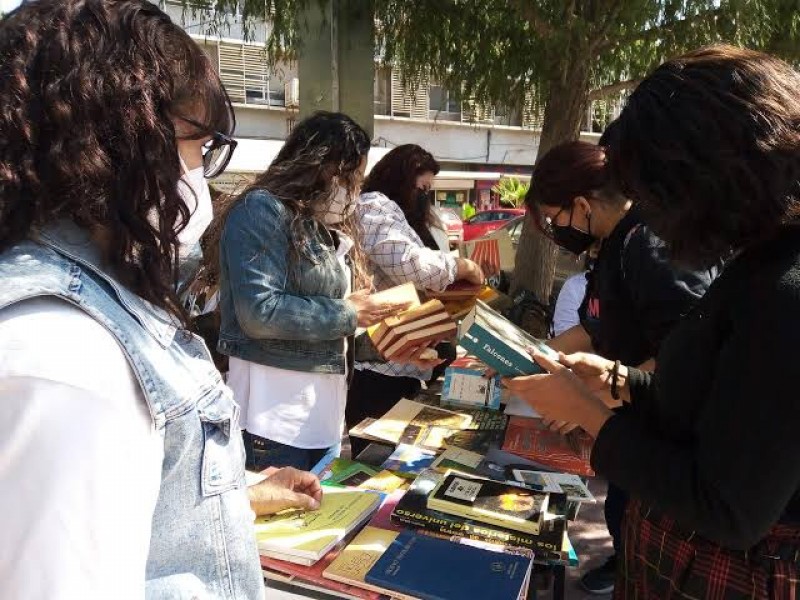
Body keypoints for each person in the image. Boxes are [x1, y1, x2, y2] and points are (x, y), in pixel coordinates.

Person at [0, 2, 320, 598]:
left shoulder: (94, 304)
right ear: (116, 143)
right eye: (198, 145)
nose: (201, 174)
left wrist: (230, 494)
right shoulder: (65, 354)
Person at [506, 45, 800, 599]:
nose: (645, 212)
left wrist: (595, 419)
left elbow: (731, 508)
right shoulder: (758, 260)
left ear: (706, 174)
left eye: (651, 192)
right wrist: (618, 382)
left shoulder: (785, 291)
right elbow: (712, 402)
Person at [526, 138, 718, 594]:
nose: (558, 231)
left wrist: (586, 400)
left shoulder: (649, 245)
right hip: (632, 424)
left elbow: (685, 353)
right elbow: (594, 326)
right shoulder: (614, 245)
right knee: (622, 517)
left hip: (665, 435)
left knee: (644, 538)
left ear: (581, 204)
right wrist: (528, 353)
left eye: (556, 220)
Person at [217, 112, 411, 472]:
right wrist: (349, 313)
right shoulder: (261, 211)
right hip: (272, 421)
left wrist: (401, 349)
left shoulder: (319, 227)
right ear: (321, 165)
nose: (353, 191)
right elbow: (260, 311)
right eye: (350, 177)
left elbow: (333, 329)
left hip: (324, 421)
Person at [347, 144, 484, 457]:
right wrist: (460, 266)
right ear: (399, 179)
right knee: (376, 462)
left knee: (398, 460)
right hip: (379, 364)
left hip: (404, 361)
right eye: (421, 188)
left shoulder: (400, 217)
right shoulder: (374, 205)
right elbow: (411, 266)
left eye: (429, 191)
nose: (425, 197)